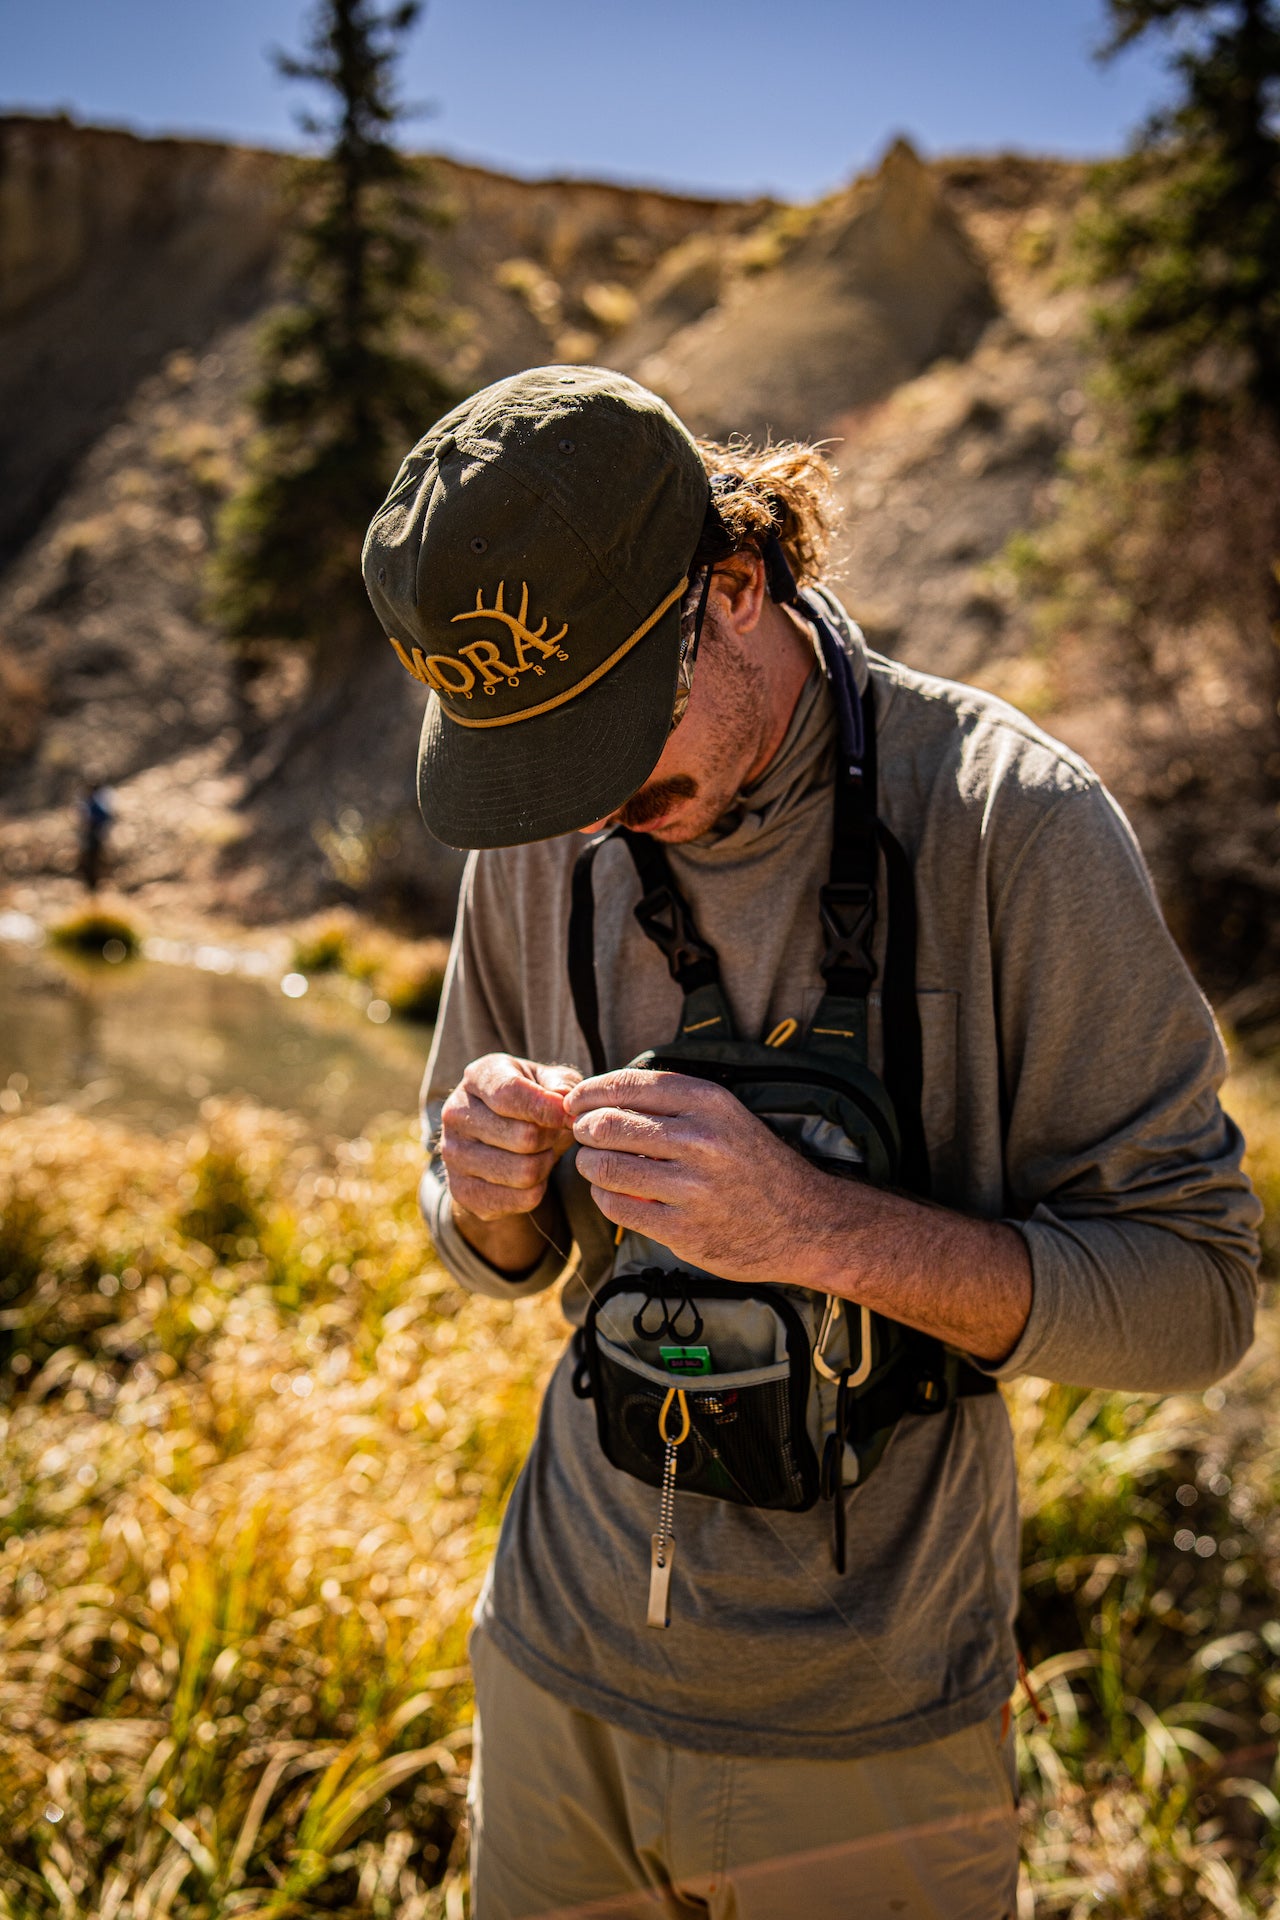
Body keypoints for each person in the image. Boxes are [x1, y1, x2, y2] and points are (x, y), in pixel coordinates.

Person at [362, 366, 1261, 1920]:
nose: (583, 823)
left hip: (868, 1757)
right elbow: (467, 1232)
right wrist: (487, 1196)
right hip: (551, 1674)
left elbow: (1198, 1298)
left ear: (733, 585)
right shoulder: (549, 824)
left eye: (610, 755)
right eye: (540, 770)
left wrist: (821, 1230)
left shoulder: (1013, 826)